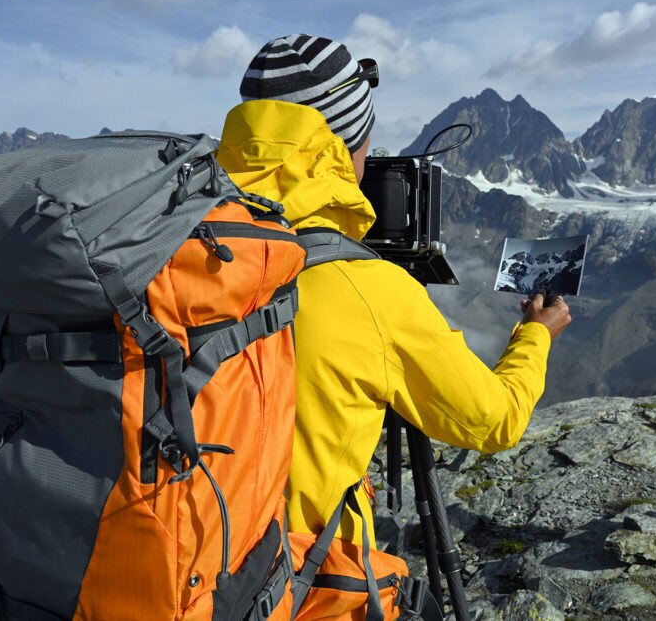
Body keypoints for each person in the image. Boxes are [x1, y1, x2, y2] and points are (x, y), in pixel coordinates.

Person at [215, 34, 572, 619]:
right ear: (342, 151)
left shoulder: (173, 249)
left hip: (187, 558)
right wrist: (536, 334)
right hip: (298, 584)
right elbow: (495, 420)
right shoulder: (368, 291)